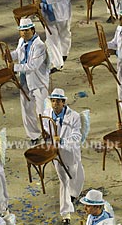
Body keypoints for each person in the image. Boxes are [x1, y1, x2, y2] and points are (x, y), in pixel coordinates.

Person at [42, 89, 85, 225]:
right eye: (53, 101)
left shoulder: (74, 116)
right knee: (64, 181)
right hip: (56, 154)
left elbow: (77, 136)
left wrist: (62, 140)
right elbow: (46, 129)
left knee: (77, 175)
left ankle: (75, 194)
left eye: (58, 101)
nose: (55, 104)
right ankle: (66, 214)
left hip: (71, 152)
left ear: (64, 102)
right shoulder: (46, 114)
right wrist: (48, 138)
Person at [11, 18, 49, 144]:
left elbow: (33, 65)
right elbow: (18, 53)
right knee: (26, 110)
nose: (23, 33)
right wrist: (9, 55)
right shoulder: (21, 41)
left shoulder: (39, 46)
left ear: (33, 30)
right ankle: (34, 135)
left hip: (38, 83)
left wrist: (14, 67)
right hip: (24, 81)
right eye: (22, 31)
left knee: (42, 111)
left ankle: (49, 133)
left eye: (26, 30)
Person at [37, 0, 72, 71]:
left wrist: (43, 0)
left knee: (64, 34)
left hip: (60, 12)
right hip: (46, 12)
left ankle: (64, 52)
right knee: (52, 38)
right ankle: (57, 63)